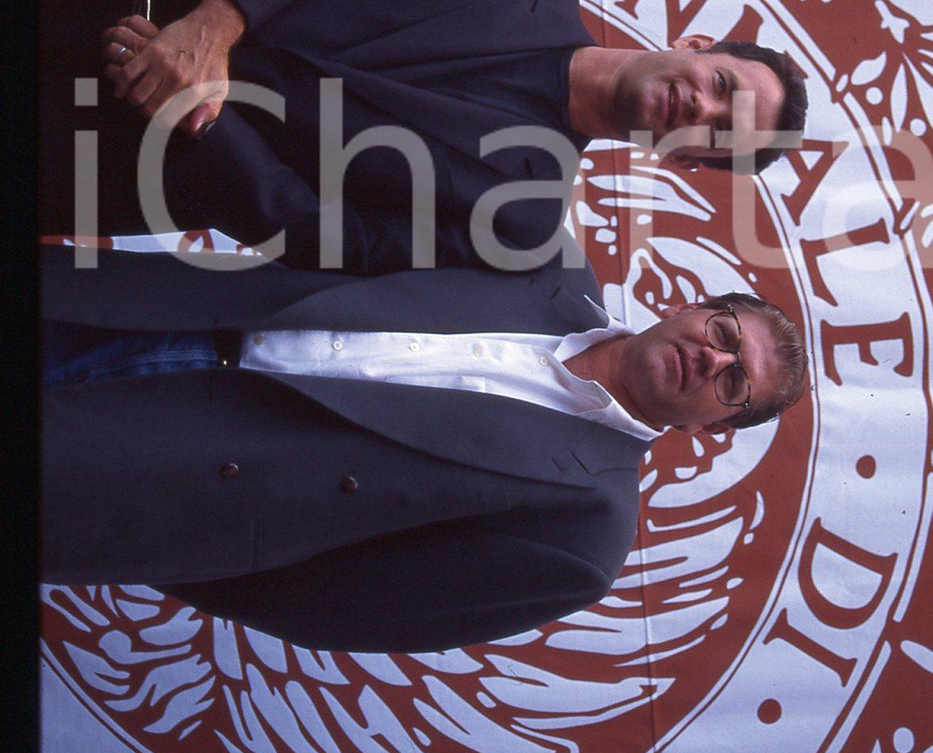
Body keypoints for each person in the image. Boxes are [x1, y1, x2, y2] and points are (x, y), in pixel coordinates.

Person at [41, 241, 806, 653]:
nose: (714, 360)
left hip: (156, 468)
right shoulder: (546, 254)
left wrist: (175, 540)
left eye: (735, 384)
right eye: (724, 335)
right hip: (151, 307)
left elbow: (349, 609)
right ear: (695, 305)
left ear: (711, 428)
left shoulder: (585, 532)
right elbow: (346, 221)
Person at [39, 0, 807, 273]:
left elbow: (326, 236)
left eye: (716, 134)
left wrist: (202, 118)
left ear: (693, 163)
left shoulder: (523, 218)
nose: (698, 107)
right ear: (702, 42)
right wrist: (213, 24)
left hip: (122, 158)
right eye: (721, 87)